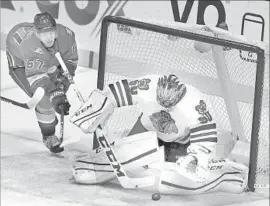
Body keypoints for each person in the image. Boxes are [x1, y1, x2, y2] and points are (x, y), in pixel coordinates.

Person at [70, 74, 249, 194]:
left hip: (181, 142)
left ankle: (227, 175)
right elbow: (112, 93)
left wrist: (196, 157)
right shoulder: (147, 85)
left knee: (181, 179)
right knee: (128, 158)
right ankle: (91, 165)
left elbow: (205, 138)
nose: (165, 108)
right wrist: (97, 106)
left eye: (169, 106)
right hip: (147, 131)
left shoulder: (196, 103)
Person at [6, 12, 78, 153]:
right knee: (44, 99)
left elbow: (70, 61)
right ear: (37, 34)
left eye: (51, 32)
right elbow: (37, 78)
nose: (49, 37)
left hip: (47, 61)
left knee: (55, 93)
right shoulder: (29, 45)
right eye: (44, 34)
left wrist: (62, 85)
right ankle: (49, 136)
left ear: (55, 30)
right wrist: (54, 95)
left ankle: (48, 118)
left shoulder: (67, 35)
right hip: (20, 63)